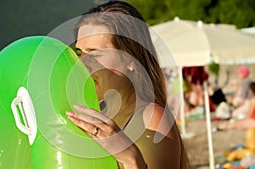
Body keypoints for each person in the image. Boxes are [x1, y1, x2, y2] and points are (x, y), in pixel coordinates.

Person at [66, 1, 190, 169]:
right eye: (80, 53)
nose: (82, 63)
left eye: (95, 53)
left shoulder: (151, 118)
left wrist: (129, 157)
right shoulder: (93, 112)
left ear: (131, 60)